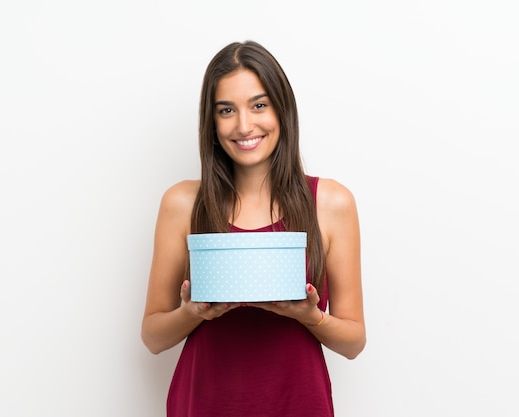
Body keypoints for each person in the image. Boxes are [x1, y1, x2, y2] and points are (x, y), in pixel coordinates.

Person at [141, 40, 366, 417]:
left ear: (282, 109)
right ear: (212, 123)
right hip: (203, 404)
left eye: (259, 105)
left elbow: (354, 341)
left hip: (297, 404)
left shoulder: (330, 203)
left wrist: (309, 316)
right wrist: (193, 312)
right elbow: (152, 336)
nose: (244, 125)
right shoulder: (181, 203)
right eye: (226, 110)